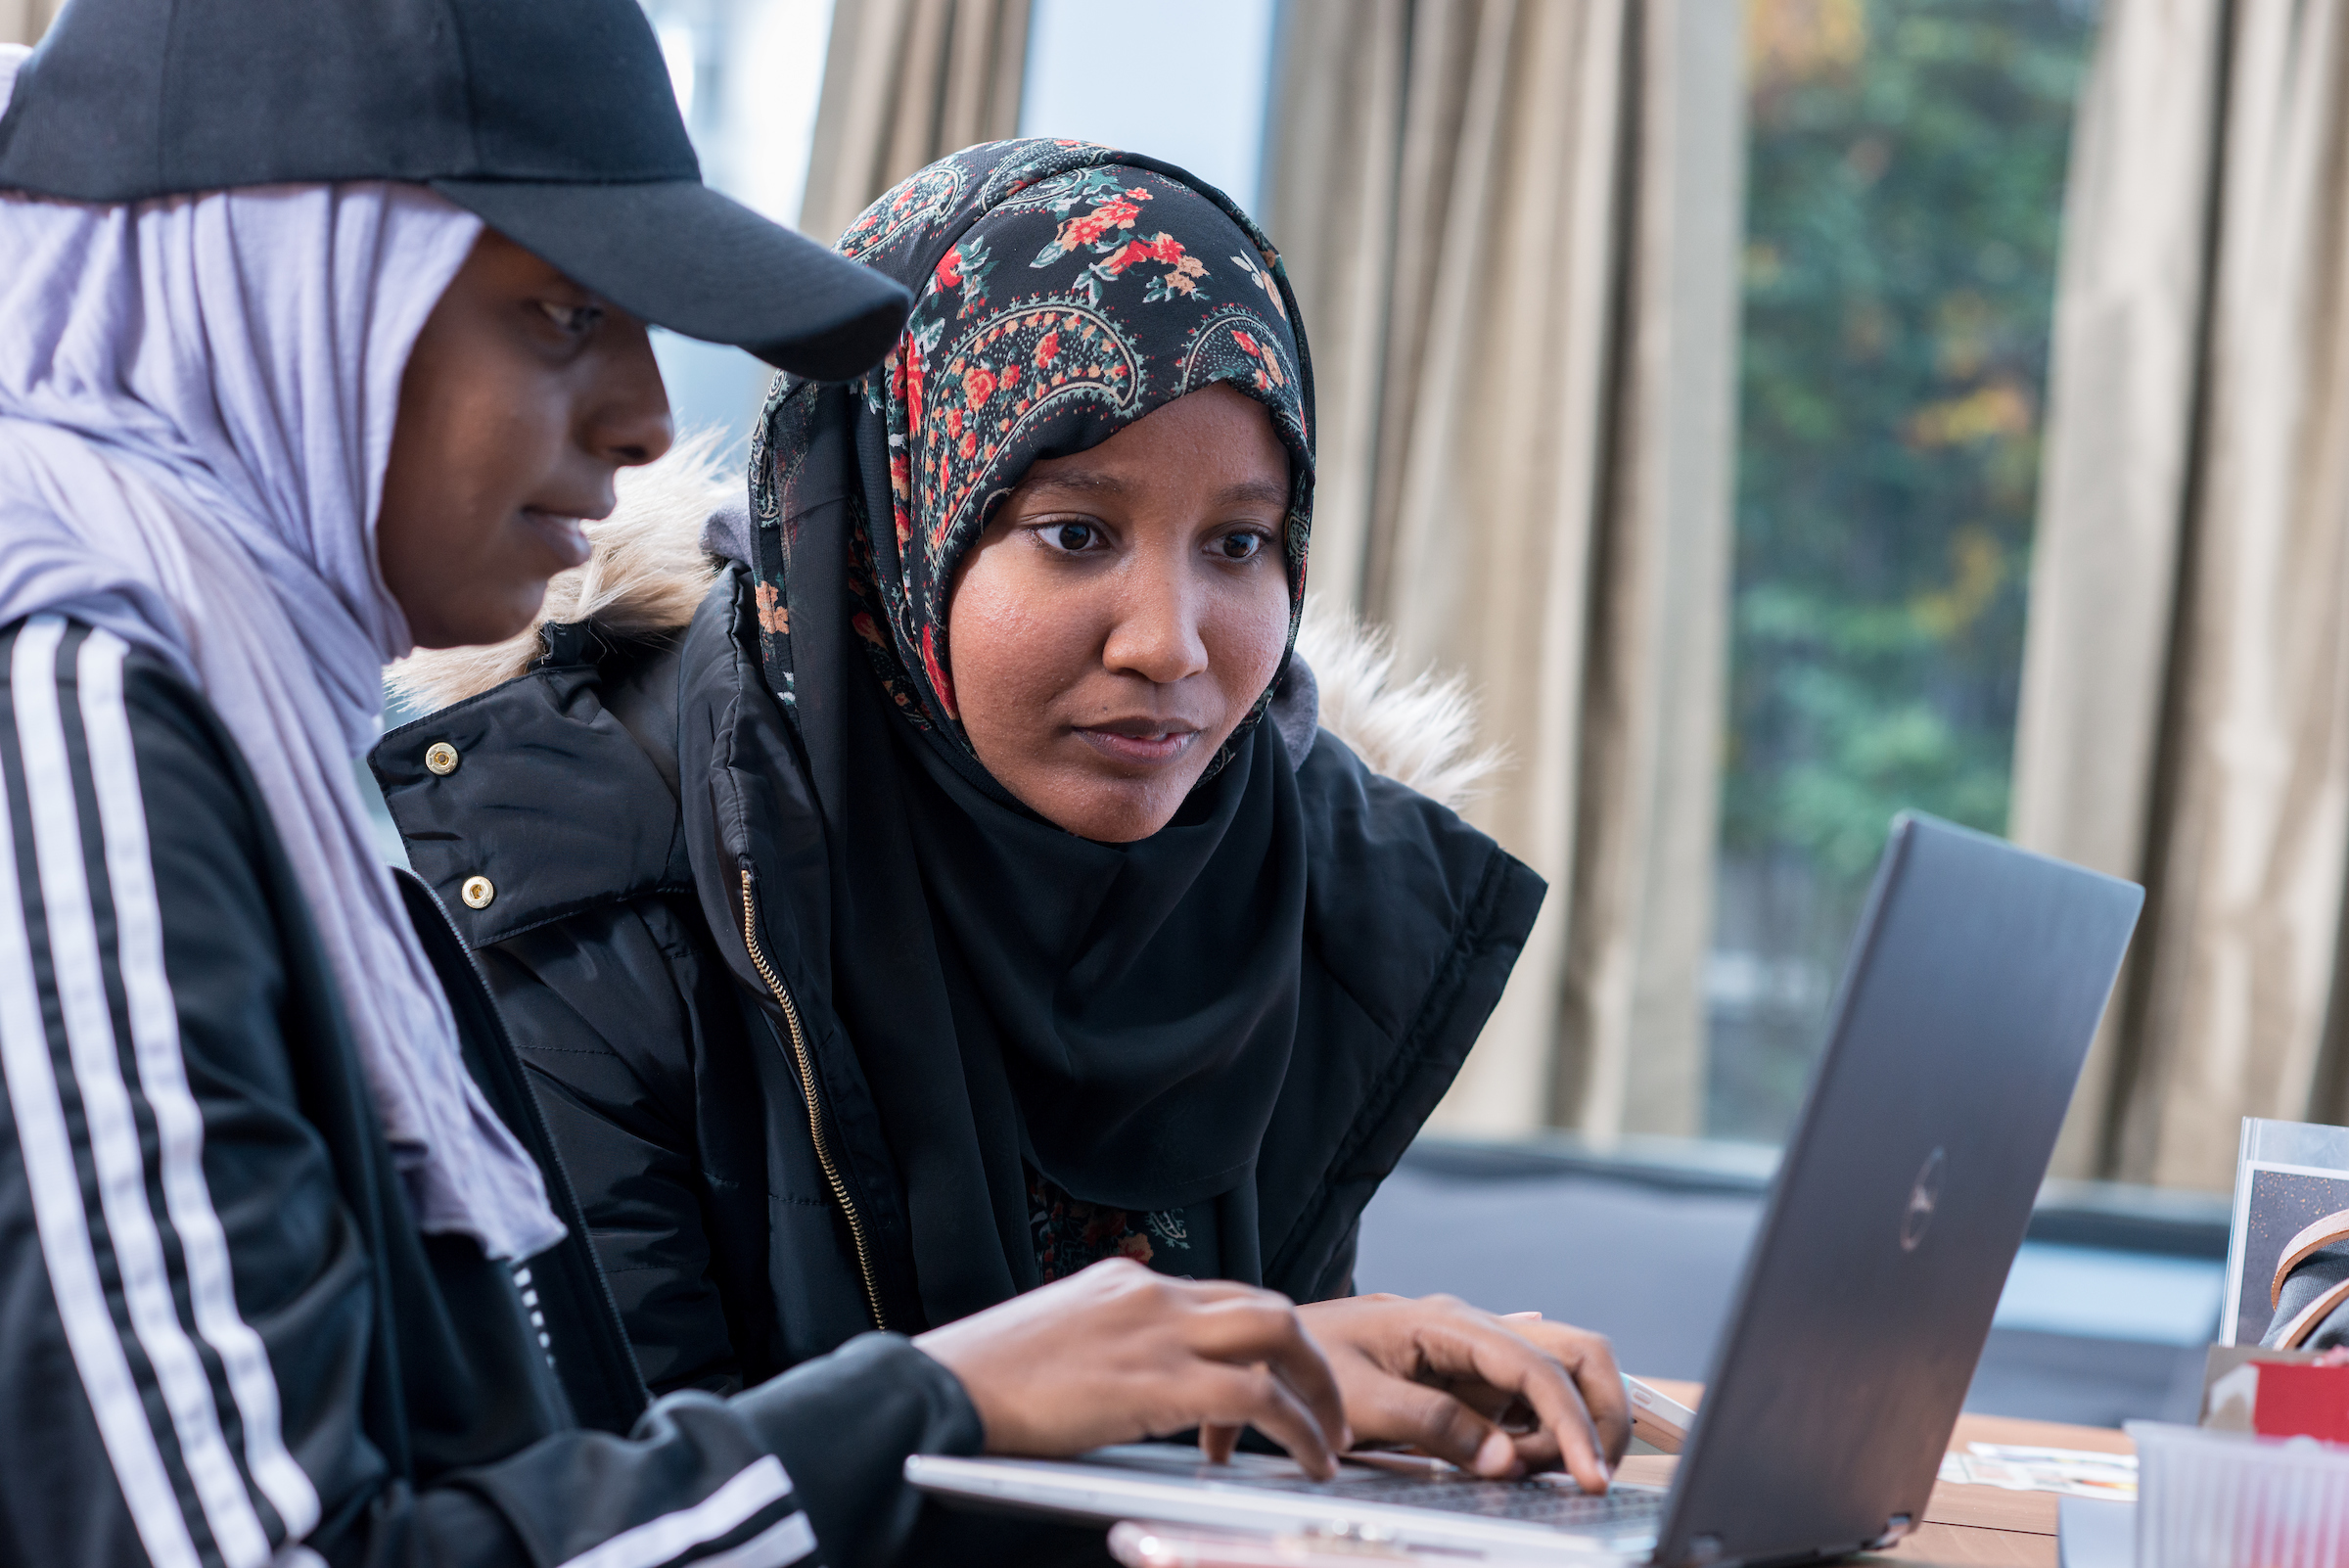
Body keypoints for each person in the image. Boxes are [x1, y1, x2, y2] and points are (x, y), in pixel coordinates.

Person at [0, 10, 1375, 1565]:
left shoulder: (237, 712)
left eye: (1241, 543)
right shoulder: (70, 703)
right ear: (288, 278)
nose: (653, 417)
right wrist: (934, 1404)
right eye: (567, 312)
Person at [377, 137, 1632, 1489]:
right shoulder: (583, 887)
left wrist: (1320, 1387)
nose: (1173, 641)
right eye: (1074, 531)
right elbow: (626, 1507)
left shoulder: (1290, 883)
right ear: (880, 533)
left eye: (1239, 543)